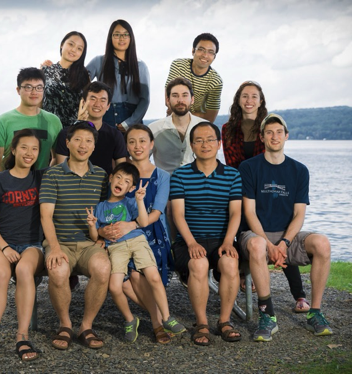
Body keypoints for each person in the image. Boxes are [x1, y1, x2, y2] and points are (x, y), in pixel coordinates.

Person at [238, 113, 333, 342]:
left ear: (286, 136)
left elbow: (300, 214)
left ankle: (315, 313)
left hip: (286, 237)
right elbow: (249, 213)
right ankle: (267, 315)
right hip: (254, 235)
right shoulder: (248, 167)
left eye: (279, 132)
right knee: (259, 245)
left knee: (322, 243)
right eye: (269, 132)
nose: (274, 136)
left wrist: (284, 243)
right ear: (262, 137)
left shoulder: (299, 170)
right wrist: (269, 244)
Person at [222, 81, 310, 313]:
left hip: (265, 183)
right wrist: (249, 180)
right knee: (239, 219)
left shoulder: (268, 126)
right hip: (242, 181)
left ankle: (299, 294)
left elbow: (271, 159)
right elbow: (232, 163)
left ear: (261, 101)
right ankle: (243, 272)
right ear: (238, 100)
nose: (249, 101)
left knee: (279, 228)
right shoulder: (228, 128)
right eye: (245, 96)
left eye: (254, 96)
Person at [86, 162, 185, 343]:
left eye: (126, 181)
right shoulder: (100, 207)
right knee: (115, 286)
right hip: (116, 247)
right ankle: (130, 319)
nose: (120, 182)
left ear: (131, 187)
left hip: (138, 241)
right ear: (110, 178)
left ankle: (166, 317)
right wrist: (93, 226)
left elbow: (144, 221)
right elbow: (95, 236)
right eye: (118, 177)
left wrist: (140, 200)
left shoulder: (131, 202)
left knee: (153, 276)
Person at [98, 124, 175, 344]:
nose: (137, 146)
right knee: (126, 278)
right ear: (126, 145)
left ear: (151, 145)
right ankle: (158, 319)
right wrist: (103, 232)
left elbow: (157, 211)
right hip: (119, 236)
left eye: (142, 141)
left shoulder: (162, 175)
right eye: (131, 141)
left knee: (144, 275)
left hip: (151, 231)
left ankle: (157, 322)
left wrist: (131, 225)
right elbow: (108, 207)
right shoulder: (120, 174)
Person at [170, 122, 242, 345]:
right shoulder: (180, 175)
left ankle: (224, 321)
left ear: (219, 144)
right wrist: (191, 243)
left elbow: (236, 213)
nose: (205, 144)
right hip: (188, 241)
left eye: (210, 139)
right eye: (199, 140)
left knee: (230, 263)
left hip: (222, 240)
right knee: (199, 264)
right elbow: (178, 215)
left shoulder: (232, 175)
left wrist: (229, 240)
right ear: (192, 145)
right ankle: (201, 323)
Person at [39, 121, 110, 350]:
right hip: (60, 242)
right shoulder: (53, 174)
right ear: (68, 143)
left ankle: (86, 326)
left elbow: (104, 211)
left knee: (103, 268)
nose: (83, 145)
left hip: (89, 243)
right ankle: (65, 324)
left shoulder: (101, 175)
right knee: (58, 271)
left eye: (89, 141)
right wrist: (55, 247)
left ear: (93, 147)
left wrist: (101, 236)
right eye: (78, 140)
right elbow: (46, 216)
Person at [0, 129, 45, 363]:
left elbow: (63, 158)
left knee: (25, 270)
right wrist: (5, 247)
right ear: (13, 150)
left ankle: (22, 336)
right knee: (1, 273)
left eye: (34, 148)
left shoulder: (41, 178)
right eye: (24, 147)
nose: (29, 153)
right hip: (0, 244)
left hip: (32, 244)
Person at [0, 67, 62, 174]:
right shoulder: (3, 121)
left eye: (39, 87)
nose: (34, 92)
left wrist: (47, 181)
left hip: (42, 188)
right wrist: (5, 186)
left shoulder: (53, 121)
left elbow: (57, 158)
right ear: (18, 90)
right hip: (12, 187)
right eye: (28, 87)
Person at [87, 19, 150, 131]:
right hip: (104, 119)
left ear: (131, 38)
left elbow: (145, 100)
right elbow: (79, 84)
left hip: (132, 122)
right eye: (117, 34)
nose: (122, 38)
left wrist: (128, 124)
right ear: (110, 37)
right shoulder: (98, 61)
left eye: (126, 34)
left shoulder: (141, 66)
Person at [55, 81, 127, 175]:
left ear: (108, 106)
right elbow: (61, 172)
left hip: (104, 186)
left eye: (103, 100)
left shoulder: (115, 135)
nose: (97, 104)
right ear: (83, 102)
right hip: (71, 187)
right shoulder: (66, 134)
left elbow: (122, 172)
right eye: (93, 99)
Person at [149, 77, 205, 175]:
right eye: (175, 96)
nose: (180, 100)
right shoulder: (153, 129)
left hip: (197, 186)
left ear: (192, 99)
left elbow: (213, 162)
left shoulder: (205, 127)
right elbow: (139, 161)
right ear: (168, 100)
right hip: (166, 186)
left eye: (184, 95)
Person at [165, 33, 222, 123]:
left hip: (199, 126)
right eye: (201, 50)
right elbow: (169, 101)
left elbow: (210, 118)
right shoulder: (178, 66)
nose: (205, 55)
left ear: (214, 57)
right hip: (174, 123)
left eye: (210, 52)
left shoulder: (215, 81)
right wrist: (199, 114)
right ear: (193, 51)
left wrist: (180, 112)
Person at [40, 31, 91, 128]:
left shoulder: (84, 75)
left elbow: (87, 104)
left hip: (74, 131)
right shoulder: (45, 70)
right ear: (62, 45)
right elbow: (37, 102)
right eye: (71, 44)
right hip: (48, 128)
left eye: (79, 49)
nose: (74, 50)